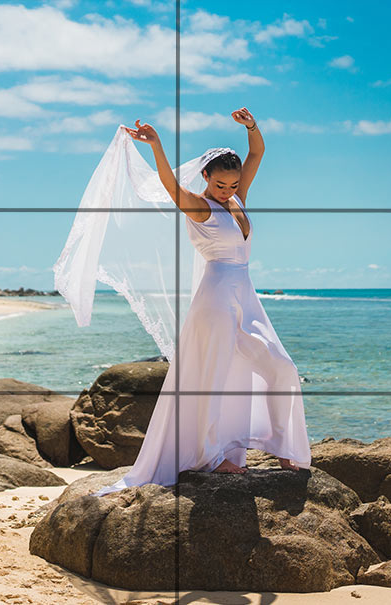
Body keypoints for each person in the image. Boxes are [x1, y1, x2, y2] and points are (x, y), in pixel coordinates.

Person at [74, 108, 312, 496]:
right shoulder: (200, 206)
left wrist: (252, 127)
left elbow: (256, 155)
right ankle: (214, 455)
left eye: (233, 184)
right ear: (206, 176)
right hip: (216, 297)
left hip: (246, 295)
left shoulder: (237, 199)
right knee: (214, 377)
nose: (228, 190)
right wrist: (157, 147)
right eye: (221, 184)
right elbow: (168, 186)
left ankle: (283, 446)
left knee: (281, 366)